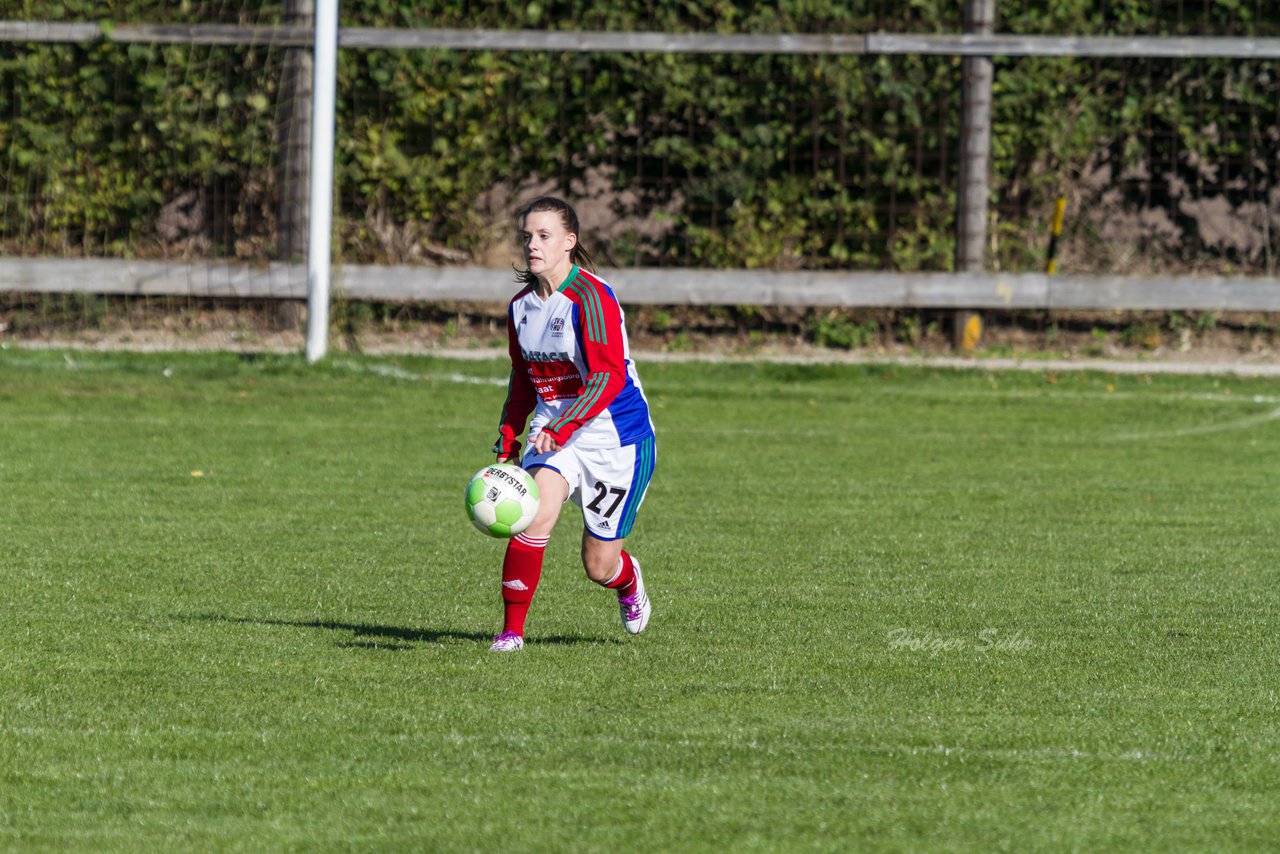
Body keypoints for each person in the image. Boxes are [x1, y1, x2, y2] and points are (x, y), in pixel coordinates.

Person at [488, 196, 657, 652]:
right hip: (554, 431)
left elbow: (607, 375)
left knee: (598, 565)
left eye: (544, 236)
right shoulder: (521, 308)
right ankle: (511, 633)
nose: (532, 245)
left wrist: (563, 427)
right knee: (534, 516)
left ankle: (627, 581)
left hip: (615, 437)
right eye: (527, 236)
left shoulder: (592, 296)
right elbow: (523, 378)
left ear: (569, 241)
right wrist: (509, 433)